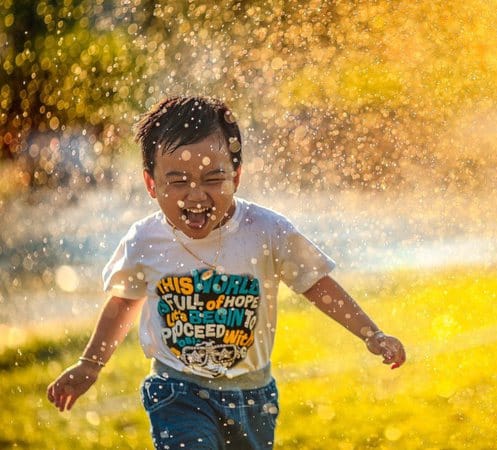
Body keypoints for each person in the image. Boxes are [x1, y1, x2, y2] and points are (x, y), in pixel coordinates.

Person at [46, 96, 406, 449]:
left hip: (252, 396)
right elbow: (124, 302)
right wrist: (90, 363)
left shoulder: (266, 230)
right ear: (151, 184)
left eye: (212, 178)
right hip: (177, 390)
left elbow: (316, 283)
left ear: (236, 176)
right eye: (178, 181)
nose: (196, 194)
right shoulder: (145, 240)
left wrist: (370, 333)